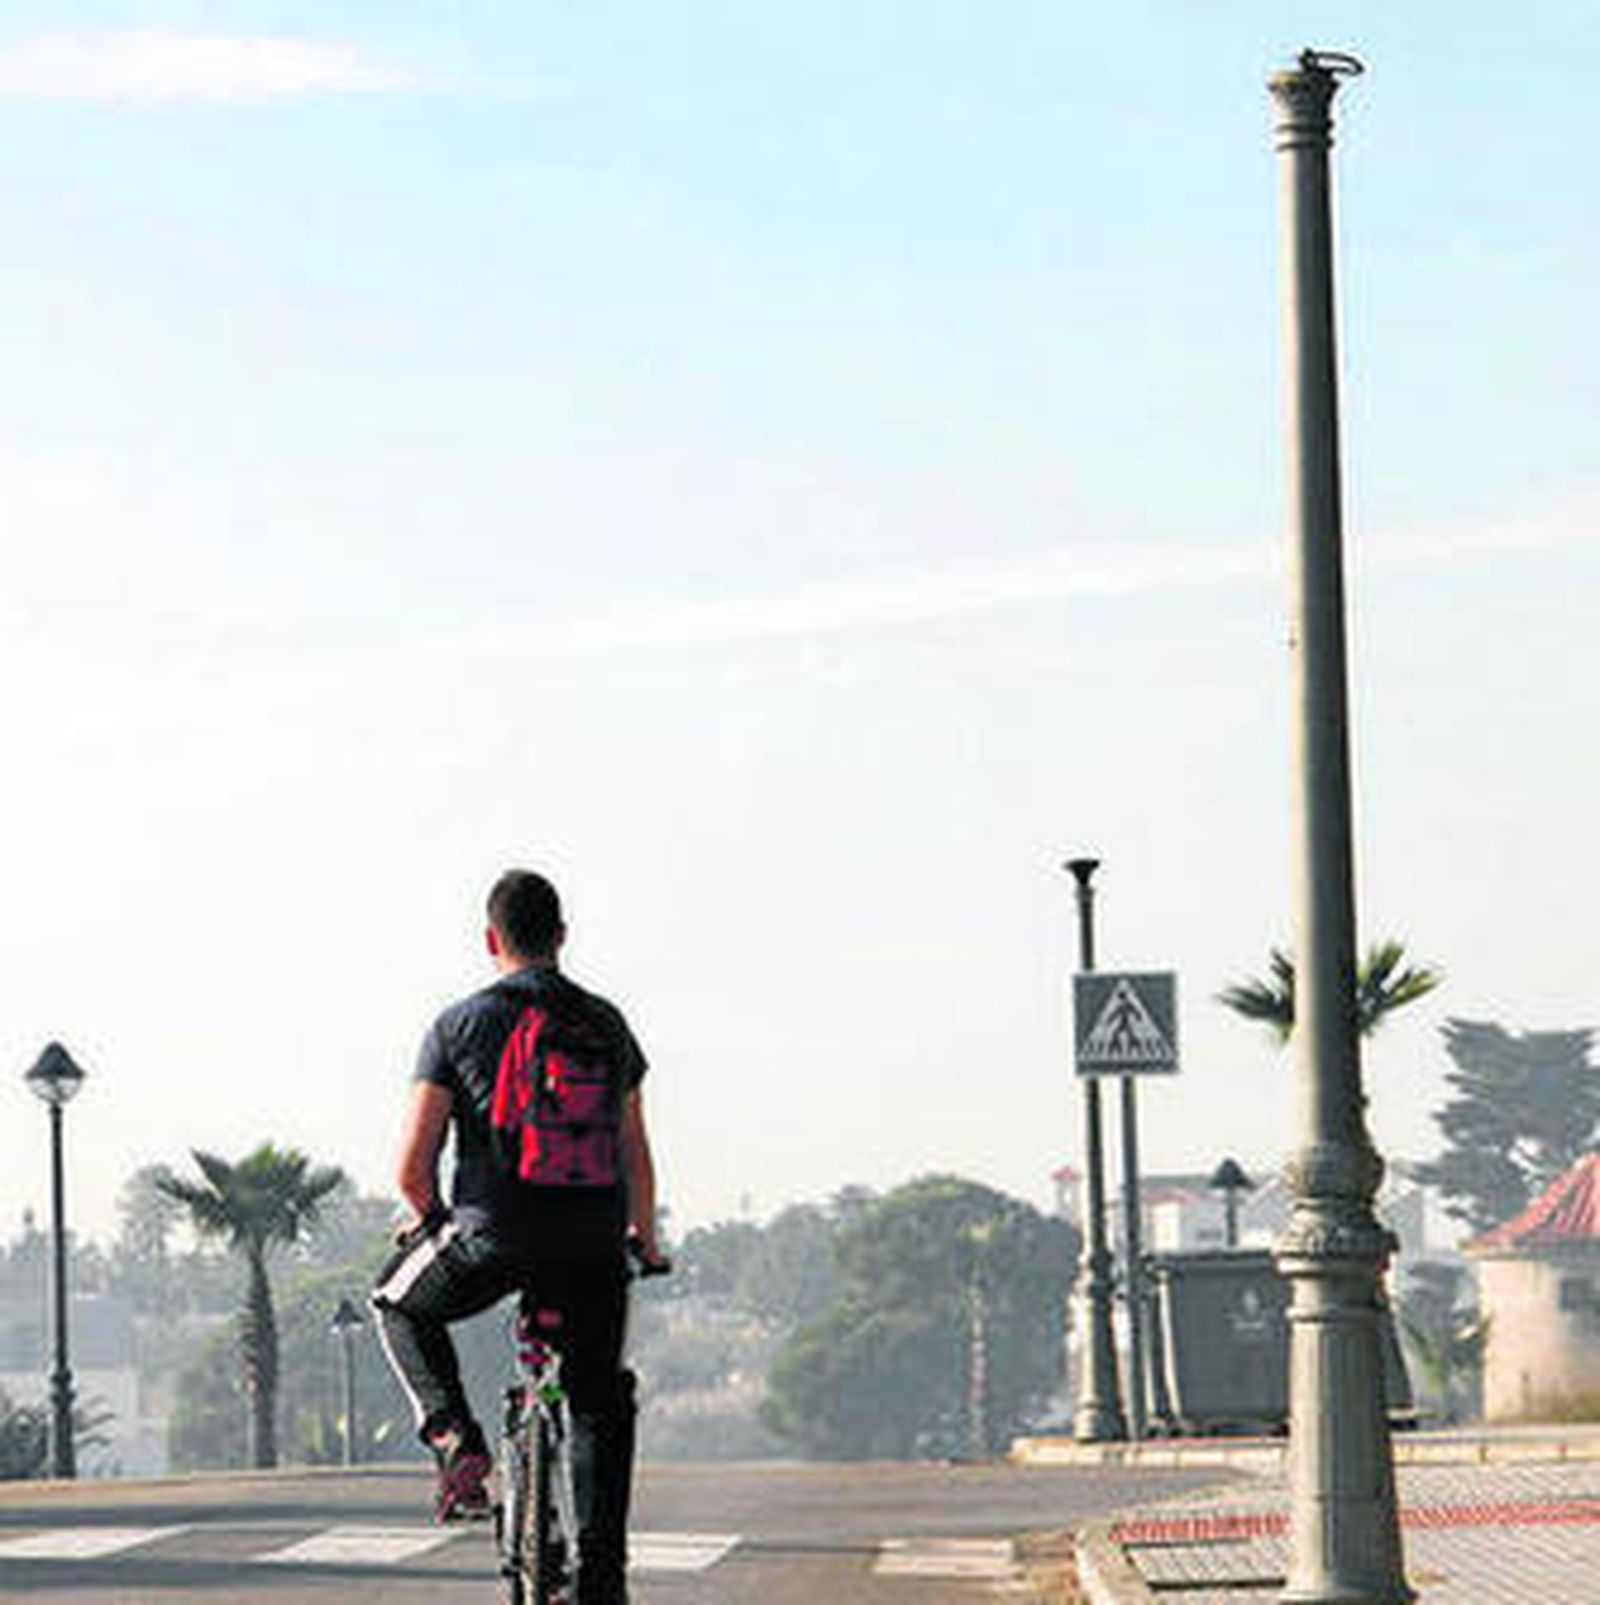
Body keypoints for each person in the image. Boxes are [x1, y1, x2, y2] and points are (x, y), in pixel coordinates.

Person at [372, 868, 663, 1605]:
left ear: (490, 939)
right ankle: (603, 1580)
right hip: (594, 1246)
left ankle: (457, 1441)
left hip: (491, 1239)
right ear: (562, 936)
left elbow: (411, 1170)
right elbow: (635, 1151)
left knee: (394, 1302)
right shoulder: (608, 1024)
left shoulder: (457, 1026)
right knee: (599, 1400)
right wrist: (645, 1239)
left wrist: (430, 1218)